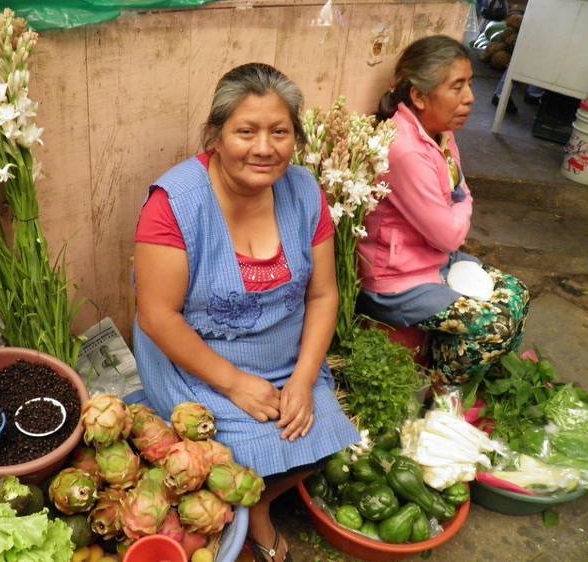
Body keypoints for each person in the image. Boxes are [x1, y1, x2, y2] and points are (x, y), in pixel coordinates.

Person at [133, 63, 359, 562]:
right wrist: (234, 383)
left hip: (285, 358)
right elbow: (157, 316)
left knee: (324, 431)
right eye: (246, 131)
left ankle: (251, 493)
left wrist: (301, 379)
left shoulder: (304, 192)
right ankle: (256, 512)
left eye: (279, 131)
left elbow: (323, 296)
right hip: (198, 361)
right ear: (215, 134)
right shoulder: (175, 203)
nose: (264, 147)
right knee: (240, 455)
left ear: (295, 137)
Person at [357, 35, 529, 386]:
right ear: (419, 96)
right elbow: (451, 230)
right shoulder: (404, 149)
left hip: (429, 262)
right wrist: (462, 199)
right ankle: (436, 388)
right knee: (495, 326)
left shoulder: (440, 134)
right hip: (395, 281)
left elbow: (456, 197)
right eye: (457, 86)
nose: (469, 98)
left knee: (517, 294)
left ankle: (460, 369)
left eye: (469, 84)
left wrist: (458, 198)